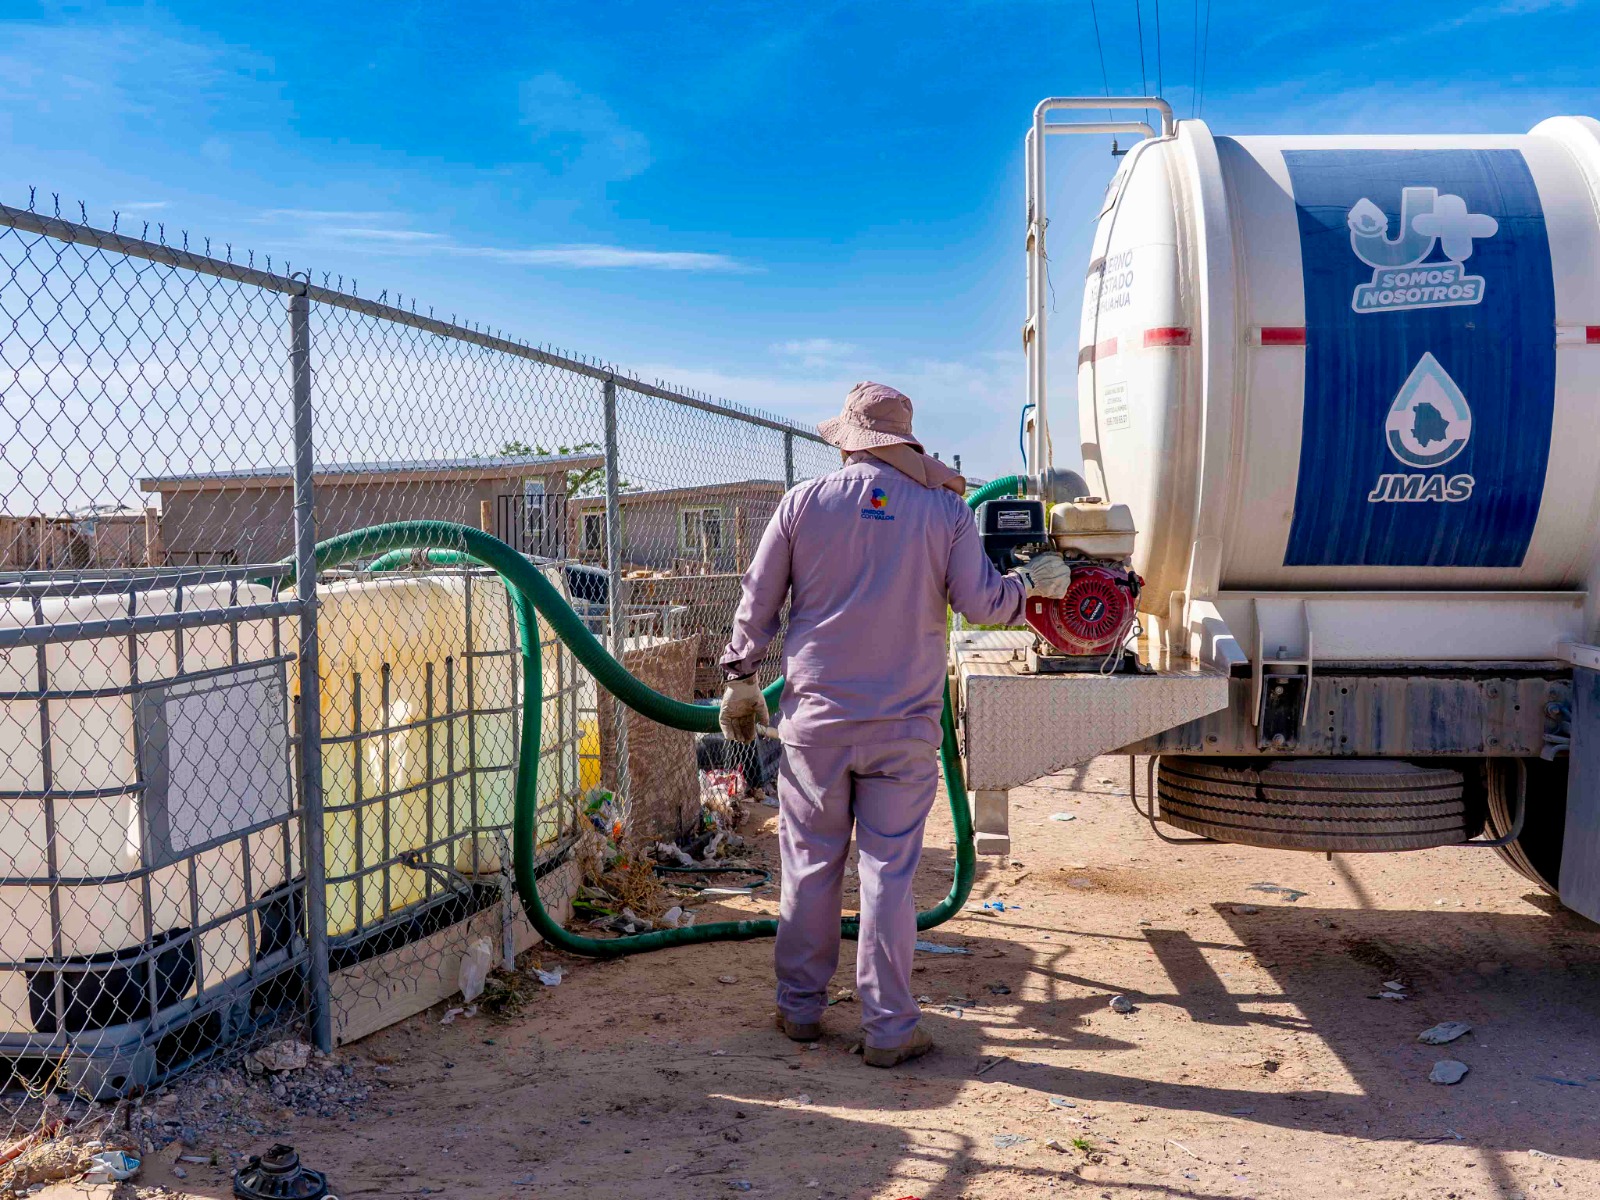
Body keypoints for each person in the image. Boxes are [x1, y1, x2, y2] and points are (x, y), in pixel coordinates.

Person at [718, 381, 1071, 1067]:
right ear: (904, 440)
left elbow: (758, 599)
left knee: (809, 866)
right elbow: (984, 604)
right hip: (904, 727)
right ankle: (888, 1028)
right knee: (887, 874)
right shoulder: (945, 511)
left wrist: (739, 678)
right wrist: (1033, 585)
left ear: (848, 441)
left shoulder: (802, 503)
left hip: (816, 722)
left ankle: (800, 1010)